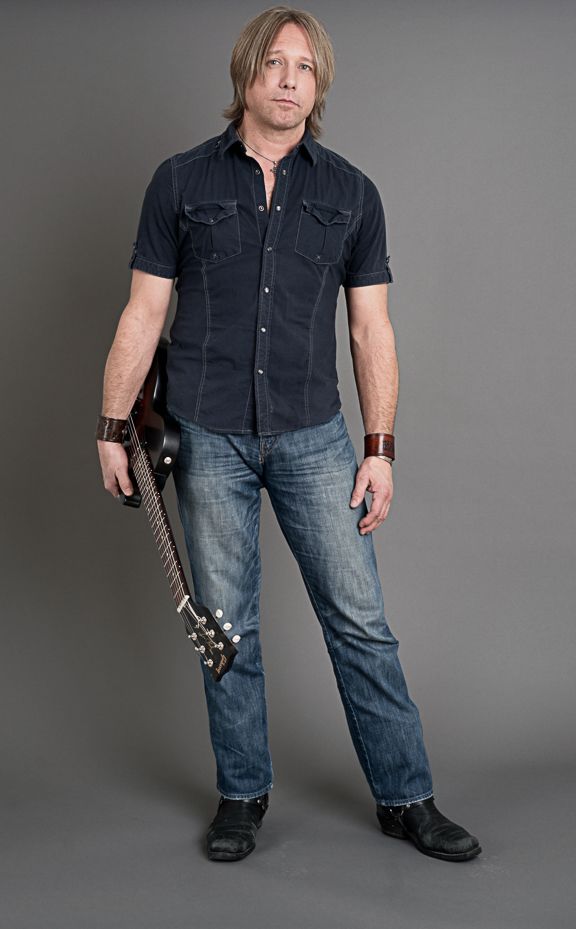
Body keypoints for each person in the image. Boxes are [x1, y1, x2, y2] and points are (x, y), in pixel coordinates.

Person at [96, 6, 481, 864]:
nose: (289, 79)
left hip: (314, 437)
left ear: (320, 85)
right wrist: (111, 426)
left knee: (362, 622)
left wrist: (379, 450)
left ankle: (407, 797)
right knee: (226, 627)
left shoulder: (352, 194)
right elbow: (144, 312)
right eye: (274, 62)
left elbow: (371, 331)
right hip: (206, 435)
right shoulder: (180, 182)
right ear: (246, 72)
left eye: (305, 68)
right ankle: (242, 793)